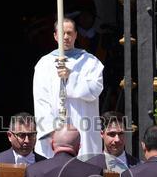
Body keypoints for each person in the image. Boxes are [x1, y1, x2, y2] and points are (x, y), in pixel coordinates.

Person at [33, 17, 104, 158]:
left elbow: (94, 90)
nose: (66, 37)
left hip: (84, 129)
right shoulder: (44, 64)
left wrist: (71, 78)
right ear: (55, 36)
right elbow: (41, 101)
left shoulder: (90, 62)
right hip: (55, 133)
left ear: (76, 35)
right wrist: (53, 133)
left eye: (70, 33)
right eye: (62, 33)